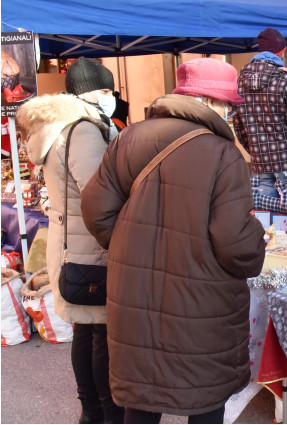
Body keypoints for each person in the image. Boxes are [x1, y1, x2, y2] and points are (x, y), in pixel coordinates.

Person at [80, 57, 265, 424]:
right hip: (203, 297)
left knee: (142, 395)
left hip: (135, 290)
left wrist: (129, 247)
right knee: (205, 396)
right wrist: (257, 242)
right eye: (227, 104)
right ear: (210, 102)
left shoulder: (129, 136)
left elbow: (95, 207)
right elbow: (233, 239)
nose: (229, 112)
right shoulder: (224, 154)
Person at [16, 57, 123, 423]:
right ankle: (106, 414)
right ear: (85, 91)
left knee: (87, 331)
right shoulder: (84, 129)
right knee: (100, 337)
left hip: (73, 242)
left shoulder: (60, 127)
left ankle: (91, 411)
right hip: (91, 243)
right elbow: (99, 193)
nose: (111, 96)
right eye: (105, 90)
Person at [233, 28, 287, 212]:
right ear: (282, 51)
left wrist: (257, 152)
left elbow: (239, 127)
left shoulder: (240, 83)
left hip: (260, 163)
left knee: (265, 224)